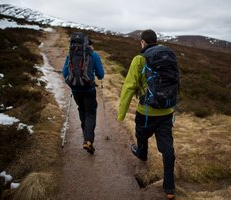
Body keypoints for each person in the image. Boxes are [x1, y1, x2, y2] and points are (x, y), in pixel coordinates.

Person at [117, 29, 176, 199]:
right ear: (155, 41)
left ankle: (142, 153)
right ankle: (170, 187)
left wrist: (121, 114)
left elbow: (129, 87)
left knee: (141, 134)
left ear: (142, 42)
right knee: (167, 147)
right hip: (166, 110)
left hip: (146, 111)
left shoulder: (139, 59)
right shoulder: (168, 56)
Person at [63, 35, 104, 155]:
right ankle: (88, 140)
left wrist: (71, 84)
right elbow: (101, 75)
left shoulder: (70, 54)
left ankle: (85, 133)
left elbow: (64, 73)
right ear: (88, 45)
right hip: (89, 89)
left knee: (81, 109)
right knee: (91, 113)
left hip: (76, 90)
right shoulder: (94, 55)